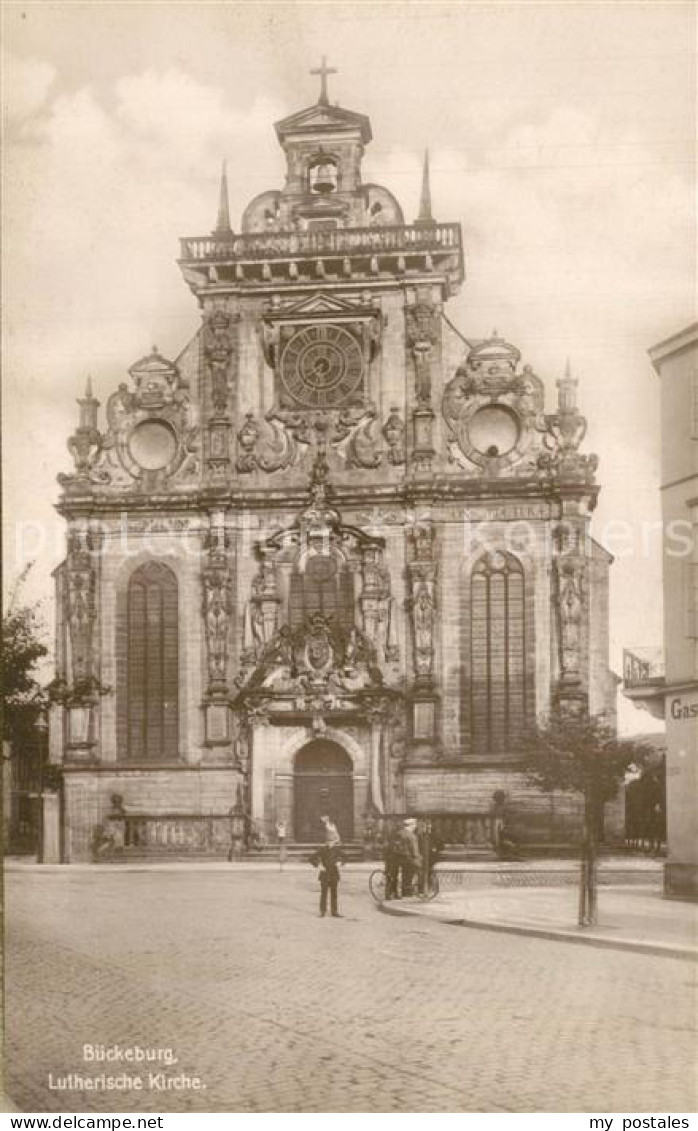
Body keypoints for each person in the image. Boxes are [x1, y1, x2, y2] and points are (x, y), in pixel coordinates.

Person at [309, 842, 345, 917]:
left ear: (334, 842)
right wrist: (318, 865)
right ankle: (322, 911)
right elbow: (311, 858)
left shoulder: (337, 850)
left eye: (332, 841)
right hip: (324, 874)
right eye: (328, 841)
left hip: (334, 874)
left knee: (334, 894)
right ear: (326, 842)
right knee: (323, 893)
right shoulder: (322, 849)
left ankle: (334, 912)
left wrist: (340, 863)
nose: (330, 843)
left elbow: (346, 857)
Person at [396, 818, 421, 897]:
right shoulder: (412, 836)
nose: (415, 827)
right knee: (411, 874)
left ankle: (404, 892)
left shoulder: (399, 833)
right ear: (411, 825)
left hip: (400, 858)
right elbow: (414, 850)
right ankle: (408, 892)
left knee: (404, 875)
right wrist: (418, 858)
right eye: (414, 825)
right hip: (409, 859)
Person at [383, 824, 401, 900]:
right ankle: (388, 894)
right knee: (389, 878)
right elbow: (387, 854)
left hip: (395, 863)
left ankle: (395, 893)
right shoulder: (390, 845)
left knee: (395, 878)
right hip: (390, 863)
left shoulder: (395, 844)